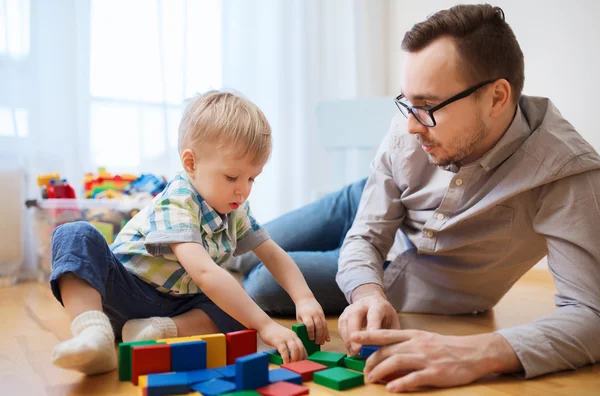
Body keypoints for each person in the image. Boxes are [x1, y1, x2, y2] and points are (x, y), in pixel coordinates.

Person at [232, 4, 600, 392]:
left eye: (426, 106)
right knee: (236, 247)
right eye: (408, 102)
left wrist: (478, 352)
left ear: (496, 98)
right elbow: (366, 237)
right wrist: (366, 291)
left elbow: (590, 313)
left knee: (261, 284)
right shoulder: (408, 131)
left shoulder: (568, 173)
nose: (409, 125)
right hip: (363, 203)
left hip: (419, 278)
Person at [49, 91, 329, 375]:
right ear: (191, 163)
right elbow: (205, 273)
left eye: (251, 178)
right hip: (124, 291)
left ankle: (155, 332)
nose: (243, 189)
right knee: (75, 234)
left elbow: (271, 252)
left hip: (177, 304)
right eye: (232, 177)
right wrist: (266, 325)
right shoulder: (177, 202)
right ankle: (93, 335)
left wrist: (304, 298)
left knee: (238, 306)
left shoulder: (235, 209)